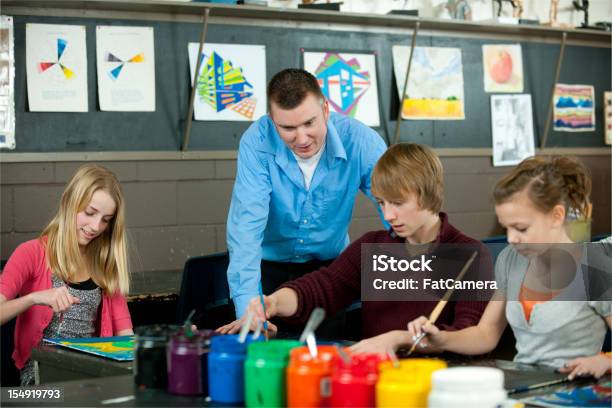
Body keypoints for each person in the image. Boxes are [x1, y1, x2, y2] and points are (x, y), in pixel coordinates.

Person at [219, 143, 489, 355]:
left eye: (397, 202)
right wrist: (273, 302)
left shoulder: (470, 255)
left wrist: (400, 340)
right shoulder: (373, 247)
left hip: (436, 383)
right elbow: (323, 287)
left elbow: (467, 335)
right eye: (382, 203)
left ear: (428, 193)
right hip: (374, 376)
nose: (389, 214)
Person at [406, 156, 612, 379]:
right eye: (506, 229)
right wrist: (441, 338)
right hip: (522, 389)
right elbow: (486, 334)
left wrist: (605, 360)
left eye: (521, 228)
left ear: (557, 216)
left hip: (574, 394)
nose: (512, 238)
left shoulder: (595, 268)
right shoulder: (510, 259)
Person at [226, 68, 387, 319]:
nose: (302, 138)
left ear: (325, 110)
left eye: (309, 123)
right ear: (272, 120)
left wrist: (413, 280)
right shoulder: (256, 142)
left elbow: (395, 206)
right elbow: (246, 224)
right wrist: (248, 307)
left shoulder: (361, 141)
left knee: (329, 351)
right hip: (268, 269)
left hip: (330, 270)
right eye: (288, 127)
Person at [0, 164, 133, 386]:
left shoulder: (104, 263)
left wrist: (163, 343)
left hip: (89, 374)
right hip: (41, 377)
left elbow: (125, 334)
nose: (95, 226)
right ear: (69, 202)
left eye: (106, 219)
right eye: (90, 213)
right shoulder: (31, 252)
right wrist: (35, 298)